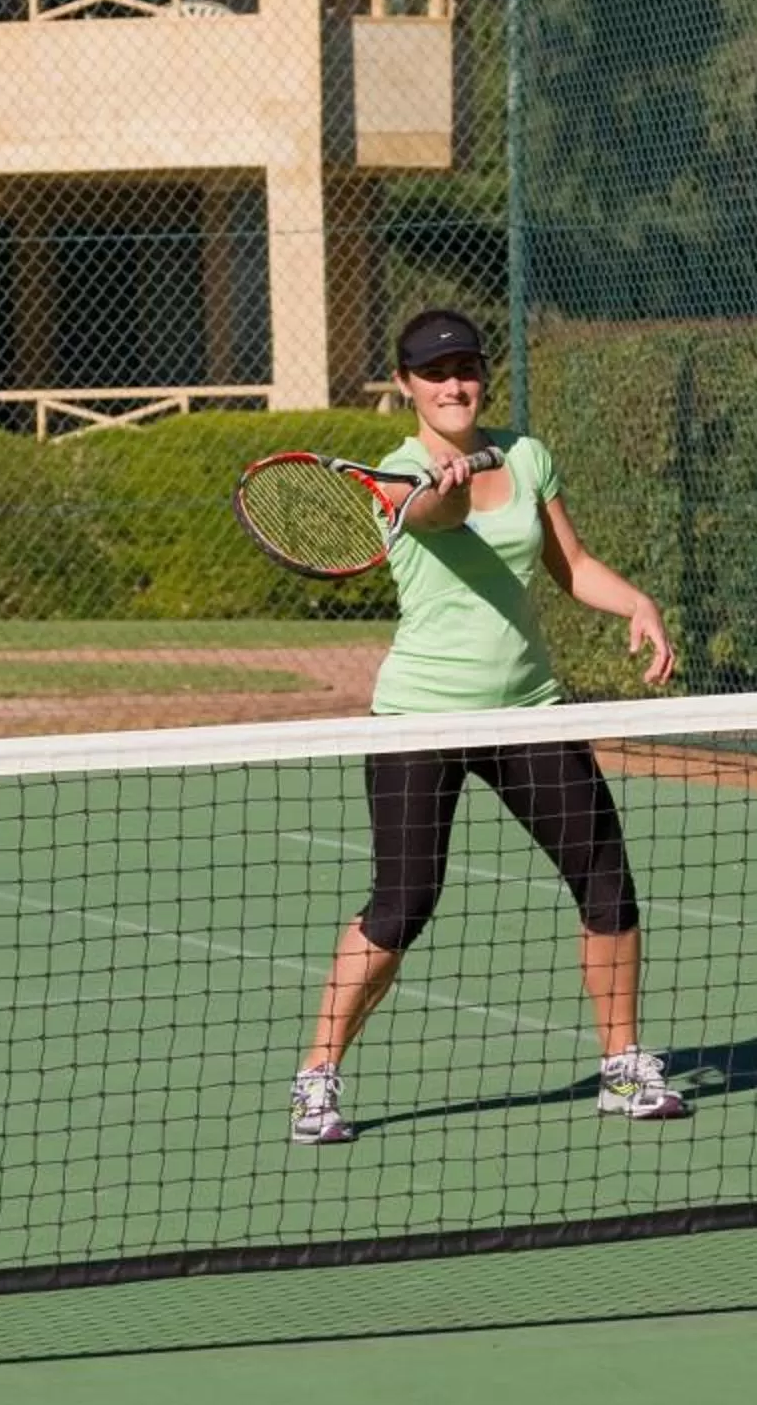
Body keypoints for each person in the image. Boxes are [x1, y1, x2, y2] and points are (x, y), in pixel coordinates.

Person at [289, 308, 684, 1143]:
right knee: (401, 905)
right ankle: (317, 1077)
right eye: (434, 374)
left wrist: (637, 601)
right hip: (418, 721)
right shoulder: (398, 477)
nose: (453, 384)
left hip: (527, 710)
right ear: (406, 387)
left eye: (464, 367)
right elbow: (434, 519)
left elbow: (569, 566)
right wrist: (443, 491)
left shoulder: (527, 455)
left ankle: (622, 1067)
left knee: (606, 880)